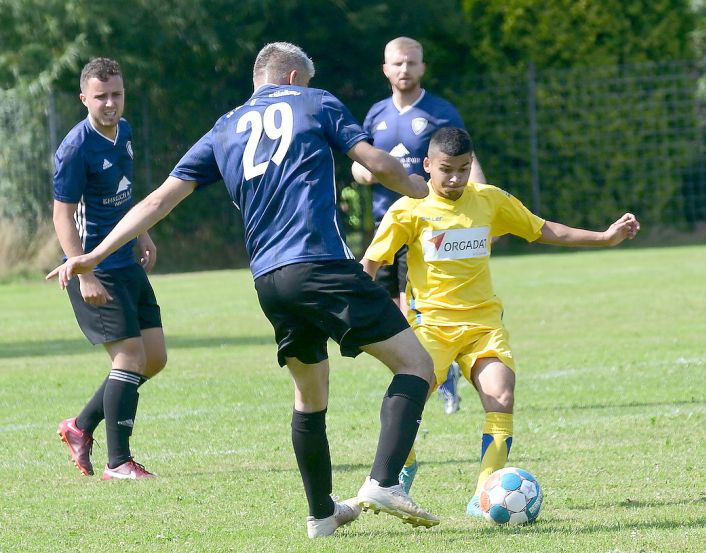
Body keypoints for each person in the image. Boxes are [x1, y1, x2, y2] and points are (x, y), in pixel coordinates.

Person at [48, 42, 439, 539]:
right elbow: (378, 164)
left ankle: (321, 514)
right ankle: (384, 481)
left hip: (269, 281)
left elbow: (158, 200)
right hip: (320, 263)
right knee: (417, 366)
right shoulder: (315, 101)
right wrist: (422, 191)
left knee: (309, 395)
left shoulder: (224, 127)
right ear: (295, 77)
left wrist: (93, 254)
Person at [360, 127, 640, 516]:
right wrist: (352, 313)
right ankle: (402, 468)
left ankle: (484, 494)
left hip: (484, 326)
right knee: (407, 402)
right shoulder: (409, 209)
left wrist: (605, 237)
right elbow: (371, 264)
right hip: (432, 327)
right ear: (427, 166)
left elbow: (544, 229)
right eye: (446, 170)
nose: (456, 178)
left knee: (501, 394)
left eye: (463, 168)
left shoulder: (490, 201)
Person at [353, 36, 487, 417]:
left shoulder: (440, 111)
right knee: (393, 311)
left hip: (429, 227)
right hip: (386, 225)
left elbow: (466, 159)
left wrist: (483, 198)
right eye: (397, 63)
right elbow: (358, 162)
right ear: (385, 68)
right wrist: (364, 174)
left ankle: (433, 377)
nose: (404, 70)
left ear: (423, 67)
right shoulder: (376, 114)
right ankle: (424, 373)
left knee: (416, 309)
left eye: (411, 63)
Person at [52, 58, 166, 481]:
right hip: (96, 268)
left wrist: (143, 234)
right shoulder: (76, 147)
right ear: (84, 98)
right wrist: (84, 272)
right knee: (130, 357)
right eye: (100, 96)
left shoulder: (126, 131)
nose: (110, 103)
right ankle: (118, 462)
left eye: (116, 94)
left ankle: (79, 426)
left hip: (126, 262)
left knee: (153, 358)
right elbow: (62, 216)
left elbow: (127, 194)